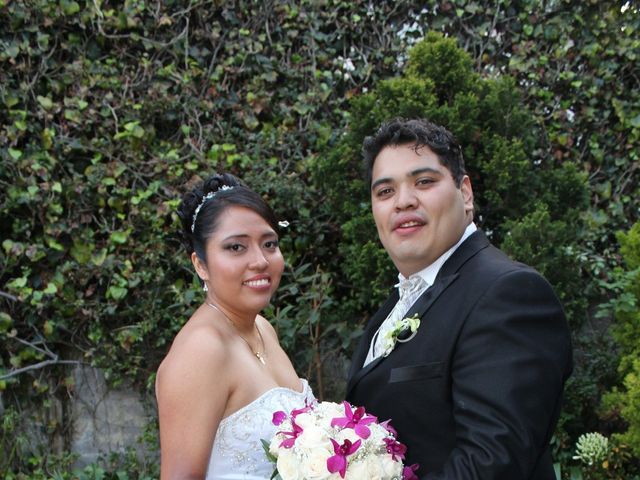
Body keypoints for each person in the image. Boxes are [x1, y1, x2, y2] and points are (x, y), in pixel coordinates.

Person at [345, 118, 572, 479]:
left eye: (424, 182)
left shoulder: (509, 294)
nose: (403, 201)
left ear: (465, 193)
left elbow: (492, 463)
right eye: (385, 191)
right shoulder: (397, 305)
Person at [155, 173, 314, 479]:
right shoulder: (201, 350)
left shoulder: (263, 329)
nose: (260, 261)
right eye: (236, 248)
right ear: (200, 264)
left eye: (269, 244)